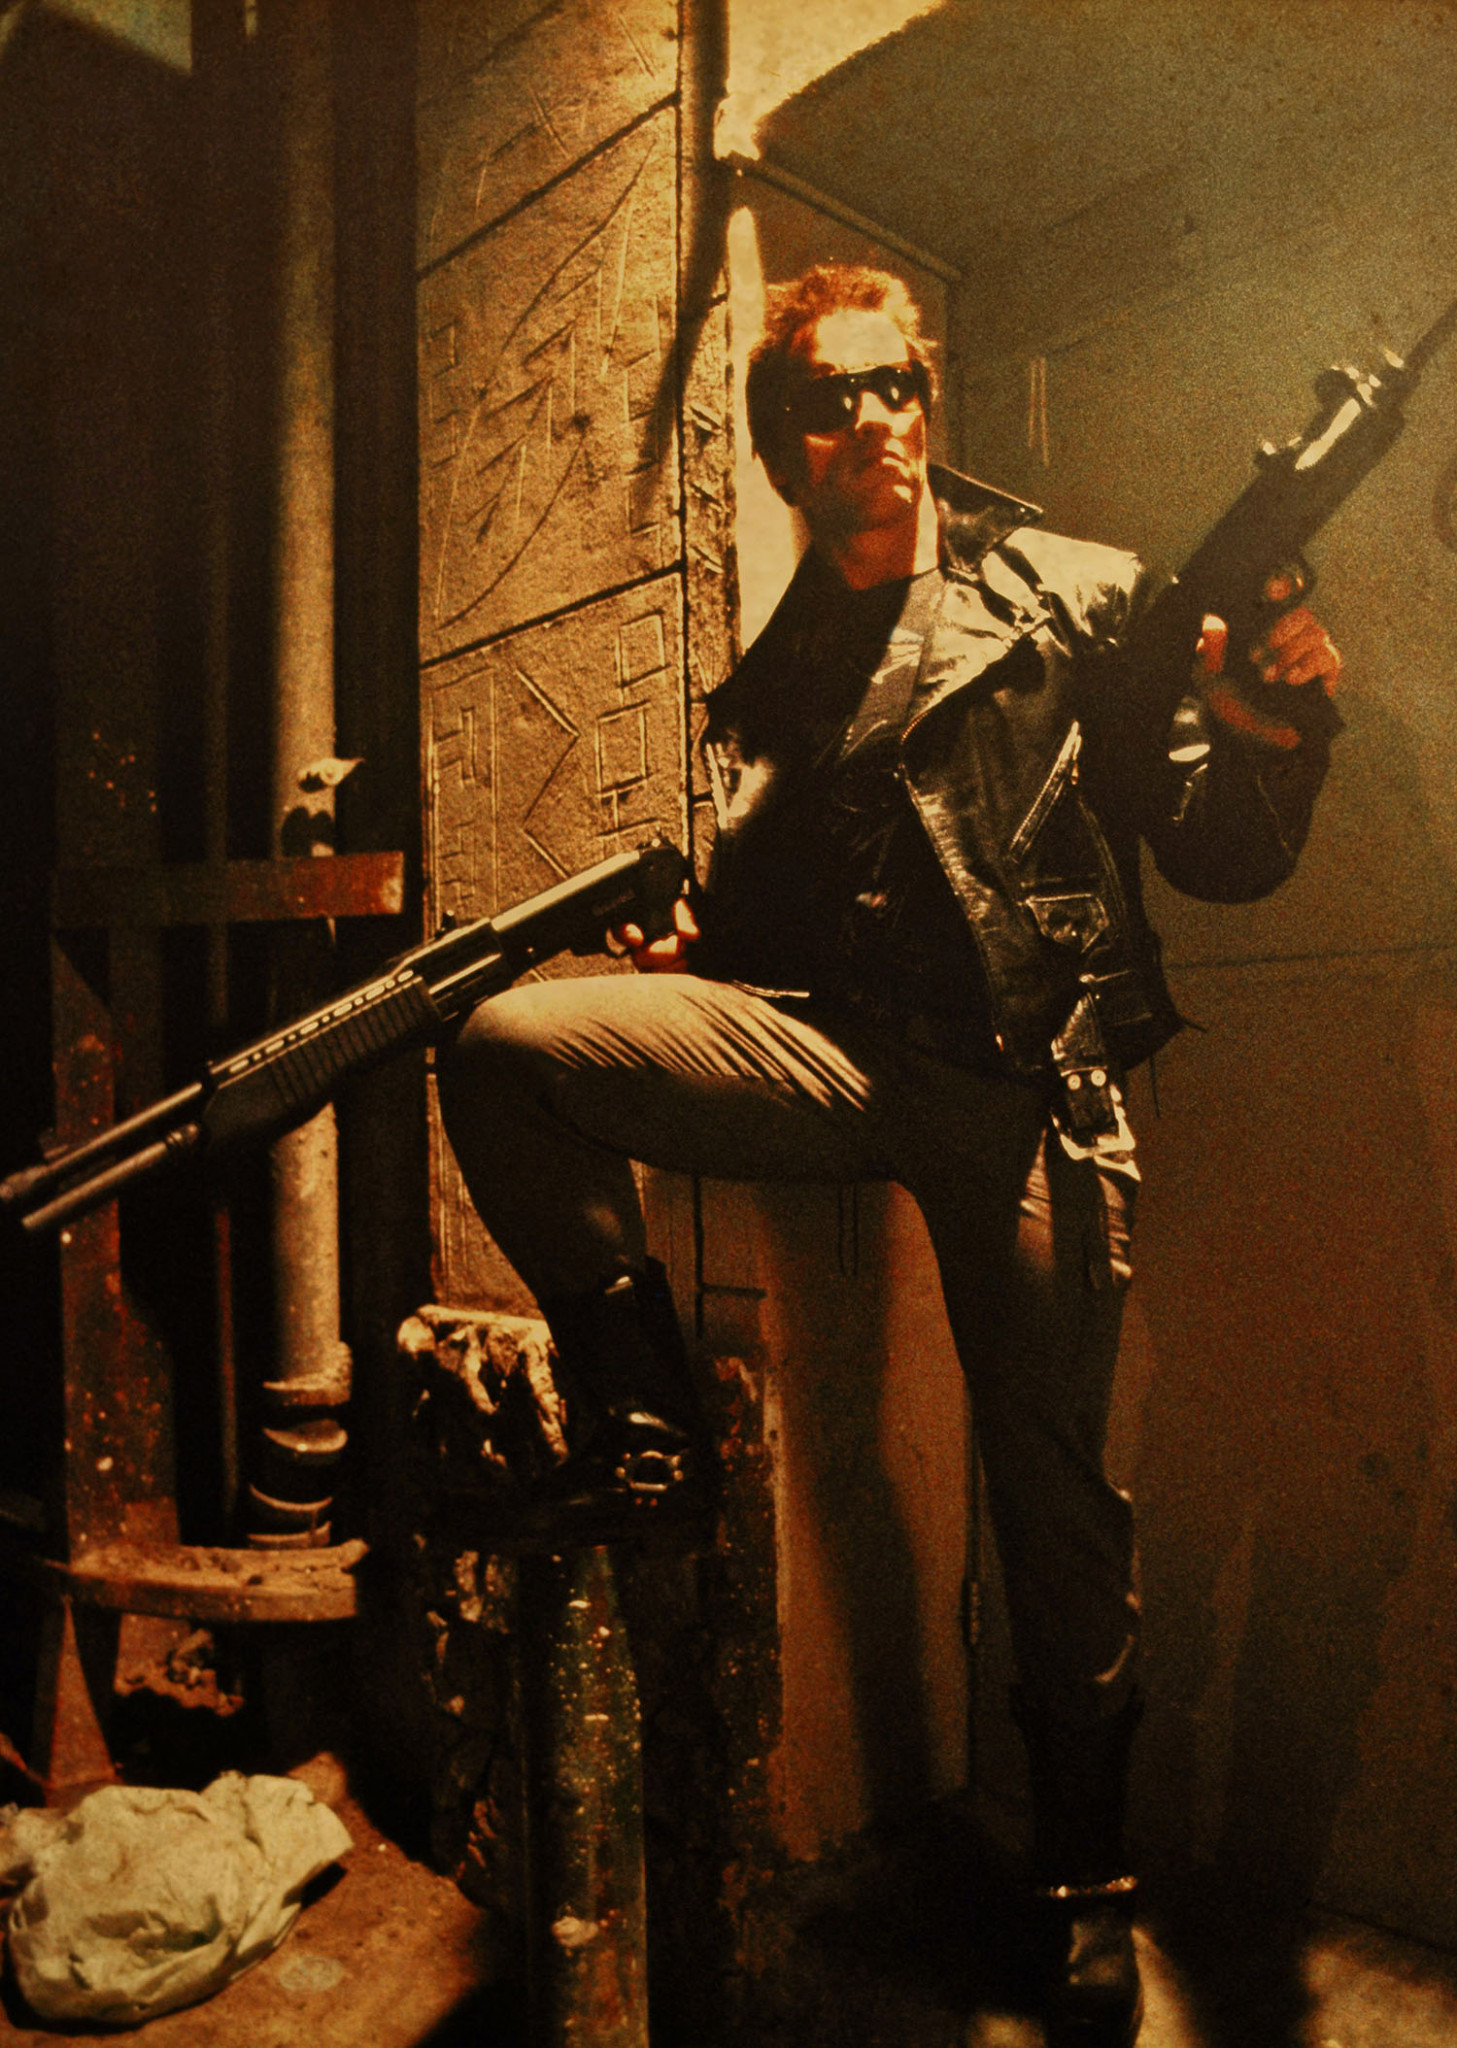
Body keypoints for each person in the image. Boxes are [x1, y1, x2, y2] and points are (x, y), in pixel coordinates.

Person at [437, 264, 1342, 2045]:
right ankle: (645, 1430)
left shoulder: (1073, 594)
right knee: (505, 1049)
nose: (871, 423)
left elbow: (1218, 854)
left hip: (1026, 1088)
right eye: (830, 403)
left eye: (891, 388)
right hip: (845, 1062)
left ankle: (1083, 1886)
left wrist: (1273, 732)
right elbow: (787, 909)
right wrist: (691, 959)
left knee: (1049, 1494)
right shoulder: (779, 683)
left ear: (926, 406)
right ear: (789, 452)